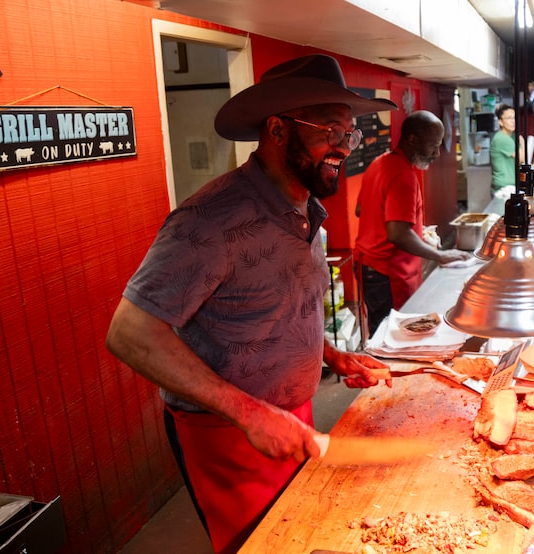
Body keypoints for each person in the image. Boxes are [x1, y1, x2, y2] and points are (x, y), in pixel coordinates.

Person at [105, 54, 397, 554]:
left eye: (349, 134)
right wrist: (251, 414)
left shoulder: (308, 208)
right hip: (226, 433)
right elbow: (129, 332)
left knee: (304, 533)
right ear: (278, 130)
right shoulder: (208, 221)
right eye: (331, 131)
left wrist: (330, 355)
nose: (344, 148)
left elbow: (274, 310)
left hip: (292, 416)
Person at [354, 110, 472, 337]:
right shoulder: (403, 176)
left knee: (380, 330)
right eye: (433, 146)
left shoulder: (380, 163)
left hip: (368, 266)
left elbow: (362, 209)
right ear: (412, 140)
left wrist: (416, 229)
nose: (437, 153)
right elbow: (398, 233)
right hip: (387, 272)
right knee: (395, 335)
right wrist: (440, 255)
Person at [489, 104, 523, 199]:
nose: (513, 121)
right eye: (509, 118)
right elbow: (522, 159)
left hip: (510, 186)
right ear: (501, 122)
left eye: (515, 118)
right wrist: (522, 140)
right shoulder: (502, 138)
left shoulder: (510, 136)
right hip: (503, 189)